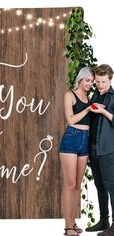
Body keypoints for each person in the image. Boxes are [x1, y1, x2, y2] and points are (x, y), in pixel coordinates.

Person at [59, 67, 94, 236]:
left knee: (78, 186)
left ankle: (73, 222)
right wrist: (88, 109)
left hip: (85, 139)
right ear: (81, 79)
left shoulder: (89, 98)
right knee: (70, 184)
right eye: (88, 80)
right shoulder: (69, 95)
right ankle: (67, 226)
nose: (90, 84)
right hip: (71, 139)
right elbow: (70, 120)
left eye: (92, 82)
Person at [85, 64, 114, 236]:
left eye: (103, 81)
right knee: (99, 185)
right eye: (97, 81)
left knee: (112, 186)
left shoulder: (113, 97)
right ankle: (104, 220)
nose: (100, 85)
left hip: (108, 148)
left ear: (110, 80)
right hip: (93, 147)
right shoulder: (95, 95)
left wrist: (104, 113)